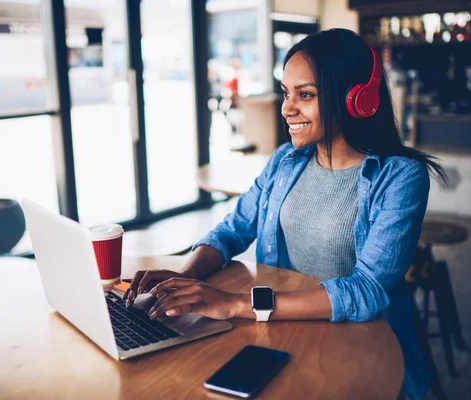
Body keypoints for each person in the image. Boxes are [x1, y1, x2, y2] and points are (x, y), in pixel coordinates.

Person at [123, 29, 446, 400]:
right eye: (286, 93)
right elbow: (233, 229)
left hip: (363, 345)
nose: (287, 108)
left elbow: (368, 289)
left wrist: (236, 304)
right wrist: (185, 276)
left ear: (358, 99)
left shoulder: (401, 176)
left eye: (305, 95)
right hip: (281, 329)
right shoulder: (285, 161)